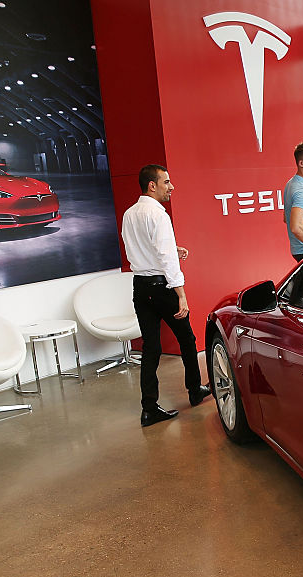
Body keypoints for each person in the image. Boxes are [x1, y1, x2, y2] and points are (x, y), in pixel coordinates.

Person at [121, 164, 211, 427]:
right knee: (187, 339)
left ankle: (148, 409)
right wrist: (180, 294)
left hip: (140, 286)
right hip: (163, 288)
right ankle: (195, 391)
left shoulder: (130, 214)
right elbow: (166, 260)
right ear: (152, 185)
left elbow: (139, 249)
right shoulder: (158, 215)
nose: (171, 187)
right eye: (166, 182)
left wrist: (173, 248)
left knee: (151, 348)